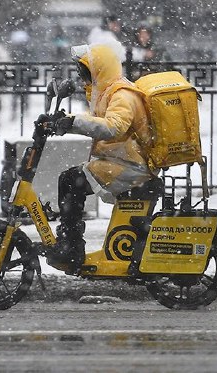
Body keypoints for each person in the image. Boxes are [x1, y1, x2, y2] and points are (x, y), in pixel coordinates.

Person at [43, 43, 159, 271]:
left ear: (98, 68)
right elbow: (100, 121)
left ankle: (72, 246)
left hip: (133, 167)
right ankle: (70, 240)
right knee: (70, 179)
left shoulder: (122, 95)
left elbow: (113, 127)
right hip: (122, 162)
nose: (80, 74)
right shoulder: (110, 93)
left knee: (71, 181)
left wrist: (73, 122)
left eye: (83, 68)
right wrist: (67, 119)